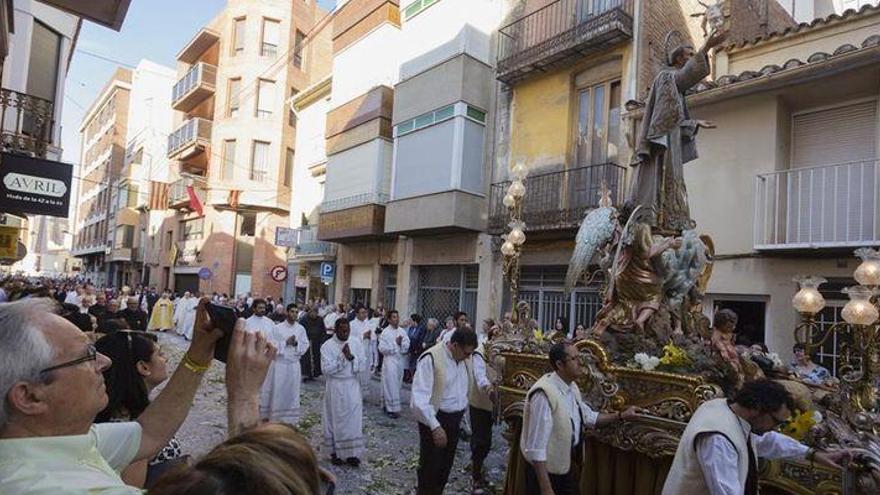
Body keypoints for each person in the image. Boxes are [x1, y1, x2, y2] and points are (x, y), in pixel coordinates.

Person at [0, 297, 227, 494]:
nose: (105, 362)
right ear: (30, 397)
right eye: (87, 355)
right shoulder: (52, 488)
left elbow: (149, 433)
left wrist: (197, 358)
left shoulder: (52, 438)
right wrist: (245, 398)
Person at [662, 379, 852, 495]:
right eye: (776, 422)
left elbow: (768, 442)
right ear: (757, 409)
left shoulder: (728, 410)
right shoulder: (718, 439)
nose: (775, 429)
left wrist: (814, 454)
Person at [628, 28, 727, 231]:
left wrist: (694, 123)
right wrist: (706, 47)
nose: (691, 58)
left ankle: (670, 221)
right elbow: (684, 78)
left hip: (670, 142)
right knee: (660, 185)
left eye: (692, 55)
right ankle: (656, 219)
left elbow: (675, 121)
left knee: (674, 186)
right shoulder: (666, 78)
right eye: (689, 55)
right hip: (661, 146)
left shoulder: (675, 87)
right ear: (678, 58)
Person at [521, 342, 640, 495]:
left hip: (566, 467)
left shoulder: (571, 387)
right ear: (560, 364)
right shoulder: (544, 394)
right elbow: (535, 448)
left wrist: (621, 415)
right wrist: (546, 488)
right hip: (546, 474)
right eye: (574, 359)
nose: (580, 363)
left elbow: (588, 417)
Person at [94, 330, 180, 488]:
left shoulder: (125, 411)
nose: (165, 359)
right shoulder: (129, 430)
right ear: (143, 367)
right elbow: (131, 488)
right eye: (160, 354)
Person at [411, 327, 479, 495]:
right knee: (430, 467)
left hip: (454, 420)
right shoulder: (431, 358)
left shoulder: (465, 359)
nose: (468, 357)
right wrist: (435, 426)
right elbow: (419, 398)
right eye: (466, 353)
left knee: (445, 467)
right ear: (454, 345)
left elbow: (463, 390)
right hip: (434, 418)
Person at [321, 318, 365, 467]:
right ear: (335, 330)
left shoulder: (356, 343)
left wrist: (352, 358)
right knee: (336, 419)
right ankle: (335, 452)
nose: (346, 333)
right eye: (342, 331)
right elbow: (326, 370)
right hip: (336, 386)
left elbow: (363, 364)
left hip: (351, 384)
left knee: (353, 419)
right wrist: (342, 358)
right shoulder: (327, 346)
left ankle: (351, 453)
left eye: (348, 331)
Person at [260, 304, 310, 424]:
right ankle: (275, 417)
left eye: (296, 312)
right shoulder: (277, 328)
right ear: (287, 313)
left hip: (293, 365)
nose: (294, 314)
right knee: (278, 390)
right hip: (280, 365)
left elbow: (305, 344)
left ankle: (290, 419)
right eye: (292, 311)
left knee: (291, 392)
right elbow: (270, 345)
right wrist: (285, 343)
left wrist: (297, 344)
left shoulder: (300, 329)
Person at [467, 323, 497, 494]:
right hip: (479, 402)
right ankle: (475, 475)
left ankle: (478, 467)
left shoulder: (499, 352)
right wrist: (488, 388)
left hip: (493, 403)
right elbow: (479, 376)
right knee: (480, 440)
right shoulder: (480, 352)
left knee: (487, 439)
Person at [379, 310, 410, 418]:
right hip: (390, 361)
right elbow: (382, 348)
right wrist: (395, 344)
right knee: (390, 384)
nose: (396, 319)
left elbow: (407, 344)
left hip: (399, 360)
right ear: (389, 319)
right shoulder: (385, 332)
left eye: (397, 317)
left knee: (397, 383)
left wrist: (401, 344)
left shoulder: (402, 331)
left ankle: (392, 404)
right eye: (393, 317)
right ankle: (391, 409)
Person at [350, 305, 376, 396]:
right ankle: (355, 393)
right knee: (358, 373)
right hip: (356, 352)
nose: (364, 315)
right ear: (356, 313)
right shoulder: (352, 324)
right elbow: (350, 339)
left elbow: (373, 338)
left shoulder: (368, 323)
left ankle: (363, 393)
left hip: (367, 350)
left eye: (365, 312)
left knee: (365, 372)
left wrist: (371, 336)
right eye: (362, 313)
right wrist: (362, 336)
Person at [301, 306, 327, 380]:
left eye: (315, 312)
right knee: (306, 358)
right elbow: (301, 329)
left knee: (315, 357)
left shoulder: (320, 319)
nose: (314, 314)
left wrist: (323, 340)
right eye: (312, 312)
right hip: (307, 341)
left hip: (316, 341)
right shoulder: (304, 319)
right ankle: (306, 373)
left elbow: (323, 330)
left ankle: (315, 373)